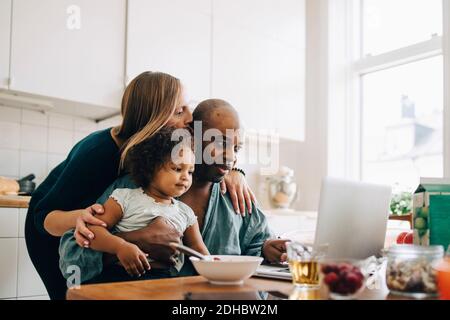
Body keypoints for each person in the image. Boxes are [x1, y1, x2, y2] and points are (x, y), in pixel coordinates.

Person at [26, 71, 254, 300]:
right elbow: (44, 217)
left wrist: (235, 171)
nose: (189, 118)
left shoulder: (161, 150)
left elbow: (214, 150)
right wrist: (84, 217)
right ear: (151, 118)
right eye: (178, 111)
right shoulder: (99, 152)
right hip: (49, 229)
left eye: (188, 107)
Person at [82, 98, 288, 281]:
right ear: (192, 136)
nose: (231, 157)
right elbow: (72, 250)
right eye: (219, 142)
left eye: (236, 148)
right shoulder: (135, 186)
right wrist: (129, 242)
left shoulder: (238, 196)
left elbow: (254, 246)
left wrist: (267, 249)